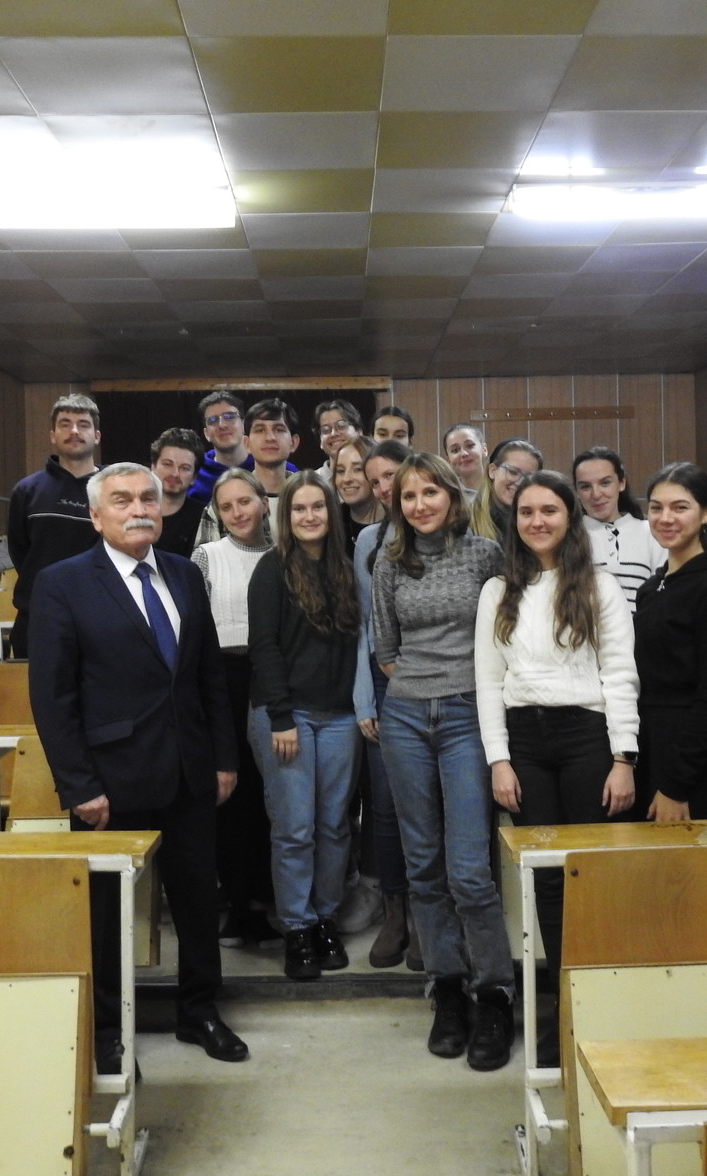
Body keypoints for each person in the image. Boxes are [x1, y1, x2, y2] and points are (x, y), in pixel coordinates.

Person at [28, 462, 249, 1069]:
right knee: (105, 914)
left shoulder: (183, 573)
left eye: (147, 498)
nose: (138, 509)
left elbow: (208, 674)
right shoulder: (62, 583)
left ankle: (199, 1011)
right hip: (109, 780)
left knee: (197, 902)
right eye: (122, 500)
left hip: (189, 772)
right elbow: (52, 696)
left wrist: (223, 757)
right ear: (96, 516)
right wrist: (78, 785)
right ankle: (106, 1029)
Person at [475, 471, 639, 1065]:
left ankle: (601, 1008)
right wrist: (499, 760)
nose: (537, 521)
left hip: (587, 738)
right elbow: (488, 682)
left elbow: (619, 672)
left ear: (570, 518)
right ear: (513, 521)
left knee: (590, 875)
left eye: (549, 510)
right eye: (526, 512)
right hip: (526, 742)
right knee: (547, 879)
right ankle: (563, 1013)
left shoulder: (599, 585)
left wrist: (623, 758)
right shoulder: (498, 590)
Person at [372, 452, 515, 1072]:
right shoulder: (388, 560)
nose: (420, 504)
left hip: (466, 716)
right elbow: (385, 646)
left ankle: (494, 994)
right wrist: (418, 687)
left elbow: (505, 633)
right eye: (409, 496)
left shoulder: (485, 555)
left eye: (430, 492)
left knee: (470, 871)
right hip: (405, 717)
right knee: (423, 867)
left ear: (452, 497)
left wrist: (460, 687)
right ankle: (447, 989)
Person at [247, 472, 364, 981]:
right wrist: (280, 716)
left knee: (335, 826)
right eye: (299, 509)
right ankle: (297, 927)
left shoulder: (347, 567)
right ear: (286, 517)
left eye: (318, 507)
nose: (309, 516)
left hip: (340, 717)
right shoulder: (271, 568)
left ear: (331, 513)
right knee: (295, 829)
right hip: (285, 716)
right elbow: (264, 646)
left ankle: (325, 919)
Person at [634, 462, 707, 822]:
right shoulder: (651, 587)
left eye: (680, 507)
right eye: (656, 508)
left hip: (689, 759)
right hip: (648, 744)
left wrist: (676, 785)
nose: (665, 518)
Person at [192, 469, 278, 949]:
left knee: (270, 795)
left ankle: (268, 901)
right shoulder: (207, 556)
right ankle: (237, 906)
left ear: (263, 502)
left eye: (245, 502)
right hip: (223, 680)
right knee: (233, 794)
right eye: (226, 507)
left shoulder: (282, 554)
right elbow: (196, 630)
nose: (237, 513)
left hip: (270, 677)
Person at [352, 439, 414, 968]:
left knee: (436, 805)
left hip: (441, 676)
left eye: (390, 475)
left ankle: (432, 914)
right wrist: (363, 697)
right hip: (382, 679)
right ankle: (396, 915)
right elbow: (363, 624)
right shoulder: (368, 540)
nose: (383, 488)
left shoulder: (451, 531)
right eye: (375, 481)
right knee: (387, 806)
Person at [6, 393, 102, 659]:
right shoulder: (27, 490)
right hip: (38, 617)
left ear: (96, 436)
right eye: (65, 424)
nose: (74, 431)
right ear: (52, 435)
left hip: (100, 618)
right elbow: (20, 552)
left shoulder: (113, 491)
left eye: (83, 424)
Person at [573, 445, 668, 613]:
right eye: (585, 487)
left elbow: (664, 593)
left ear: (621, 483)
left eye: (605, 483)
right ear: (577, 492)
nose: (596, 494)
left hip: (645, 626)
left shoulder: (651, 532)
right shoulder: (569, 536)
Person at [195, 398, 300, 547]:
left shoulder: (311, 493)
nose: (270, 437)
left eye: (279, 429)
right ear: (247, 443)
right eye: (260, 430)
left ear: (293, 442)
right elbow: (204, 559)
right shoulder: (225, 499)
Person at [468, 438, 543, 541]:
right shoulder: (465, 519)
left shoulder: (538, 523)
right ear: (492, 471)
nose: (519, 482)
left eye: (528, 477)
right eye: (513, 472)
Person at [189, 390, 251, 504]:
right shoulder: (193, 473)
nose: (222, 425)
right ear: (206, 433)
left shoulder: (268, 466)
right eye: (213, 420)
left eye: (230, 417)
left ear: (243, 424)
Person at [151, 426, 206, 557]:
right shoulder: (135, 510)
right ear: (153, 467)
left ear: (194, 477)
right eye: (167, 464)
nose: (175, 473)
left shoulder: (204, 517)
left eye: (184, 468)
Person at [332, 435, 383, 557]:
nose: (347, 479)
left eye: (358, 469)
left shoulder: (396, 525)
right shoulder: (331, 522)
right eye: (340, 471)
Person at [313, 398, 363, 479]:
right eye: (326, 430)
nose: (333, 434)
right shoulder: (312, 481)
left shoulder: (371, 474)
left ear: (359, 432)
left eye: (341, 426)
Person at [442, 422, 488, 498]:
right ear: (448, 460)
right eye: (455, 450)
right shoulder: (447, 496)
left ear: (484, 449)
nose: (464, 454)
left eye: (470, 446)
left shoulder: (501, 488)